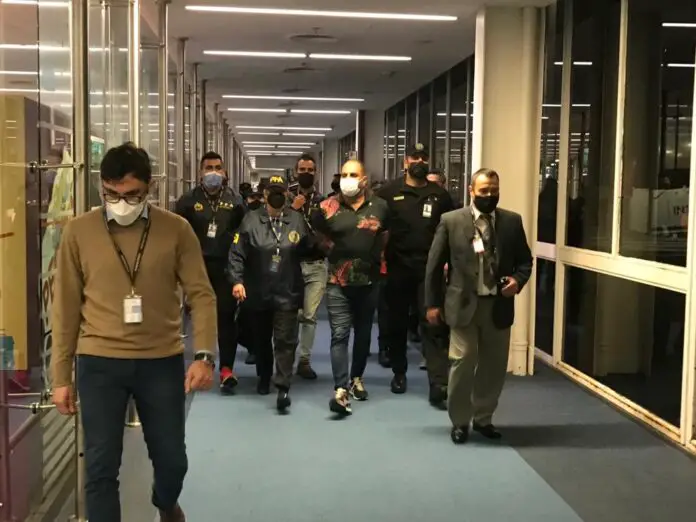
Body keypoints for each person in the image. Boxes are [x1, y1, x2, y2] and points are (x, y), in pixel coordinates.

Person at [51, 142, 216, 522]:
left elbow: (201, 295)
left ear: (150, 187)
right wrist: (61, 376)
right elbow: (65, 308)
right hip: (99, 361)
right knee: (100, 466)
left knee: (172, 460)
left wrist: (204, 355)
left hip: (160, 360)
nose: (121, 203)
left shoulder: (176, 230)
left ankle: (165, 502)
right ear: (102, 187)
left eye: (132, 195)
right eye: (112, 194)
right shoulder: (79, 232)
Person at [424, 168, 533, 444]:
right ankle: (460, 421)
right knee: (463, 362)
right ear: (471, 191)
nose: (489, 195)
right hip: (462, 306)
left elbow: (525, 261)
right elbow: (434, 266)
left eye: (494, 191)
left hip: (498, 306)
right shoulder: (451, 221)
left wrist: (517, 281)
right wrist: (432, 304)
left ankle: (484, 418)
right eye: (484, 191)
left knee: (493, 366)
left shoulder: (511, 221)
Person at [377, 143, 453, 409]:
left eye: (423, 157)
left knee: (433, 324)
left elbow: (450, 232)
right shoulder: (388, 193)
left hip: (429, 271)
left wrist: (448, 263)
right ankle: (399, 372)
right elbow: (378, 228)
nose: (419, 161)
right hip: (397, 269)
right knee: (397, 324)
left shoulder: (440, 195)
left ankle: (438, 383)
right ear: (405, 161)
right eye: (414, 157)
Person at [228, 174, 310, 413]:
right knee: (261, 339)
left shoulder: (297, 220)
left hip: (287, 289)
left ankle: (283, 386)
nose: (276, 196)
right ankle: (264, 376)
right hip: (258, 290)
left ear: (287, 194)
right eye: (271, 191)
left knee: (285, 340)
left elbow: (309, 248)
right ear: (264, 195)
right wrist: (237, 281)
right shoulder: (251, 220)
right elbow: (236, 253)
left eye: (280, 192)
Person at [312, 160, 388, 415]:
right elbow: (318, 237)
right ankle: (340, 388)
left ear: (364, 179)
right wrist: (335, 253)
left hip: (369, 281)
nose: (348, 179)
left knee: (364, 333)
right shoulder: (326, 207)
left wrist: (374, 257)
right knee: (340, 334)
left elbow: (385, 236)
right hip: (338, 282)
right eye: (344, 174)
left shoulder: (380, 206)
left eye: (353, 174)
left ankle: (357, 378)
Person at [175, 151, 245, 394]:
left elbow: (243, 236)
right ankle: (202, 363)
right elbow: (177, 236)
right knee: (200, 316)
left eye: (217, 168)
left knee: (226, 318)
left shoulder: (235, 202)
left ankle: (226, 370)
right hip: (197, 268)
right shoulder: (187, 201)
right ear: (200, 172)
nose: (213, 172)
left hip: (226, 268)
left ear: (224, 173)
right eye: (208, 168)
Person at [289, 153, 327, 380]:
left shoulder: (325, 201)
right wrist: (293, 209)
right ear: (296, 172)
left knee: (310, 316)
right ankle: (286, 357)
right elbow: (279, 227)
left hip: (316, 265)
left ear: (316, 173)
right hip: (291, 265)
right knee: (291, 314)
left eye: (310, 170)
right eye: (302, 170)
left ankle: (304, 360)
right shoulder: (286, 198)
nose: (306, 174)